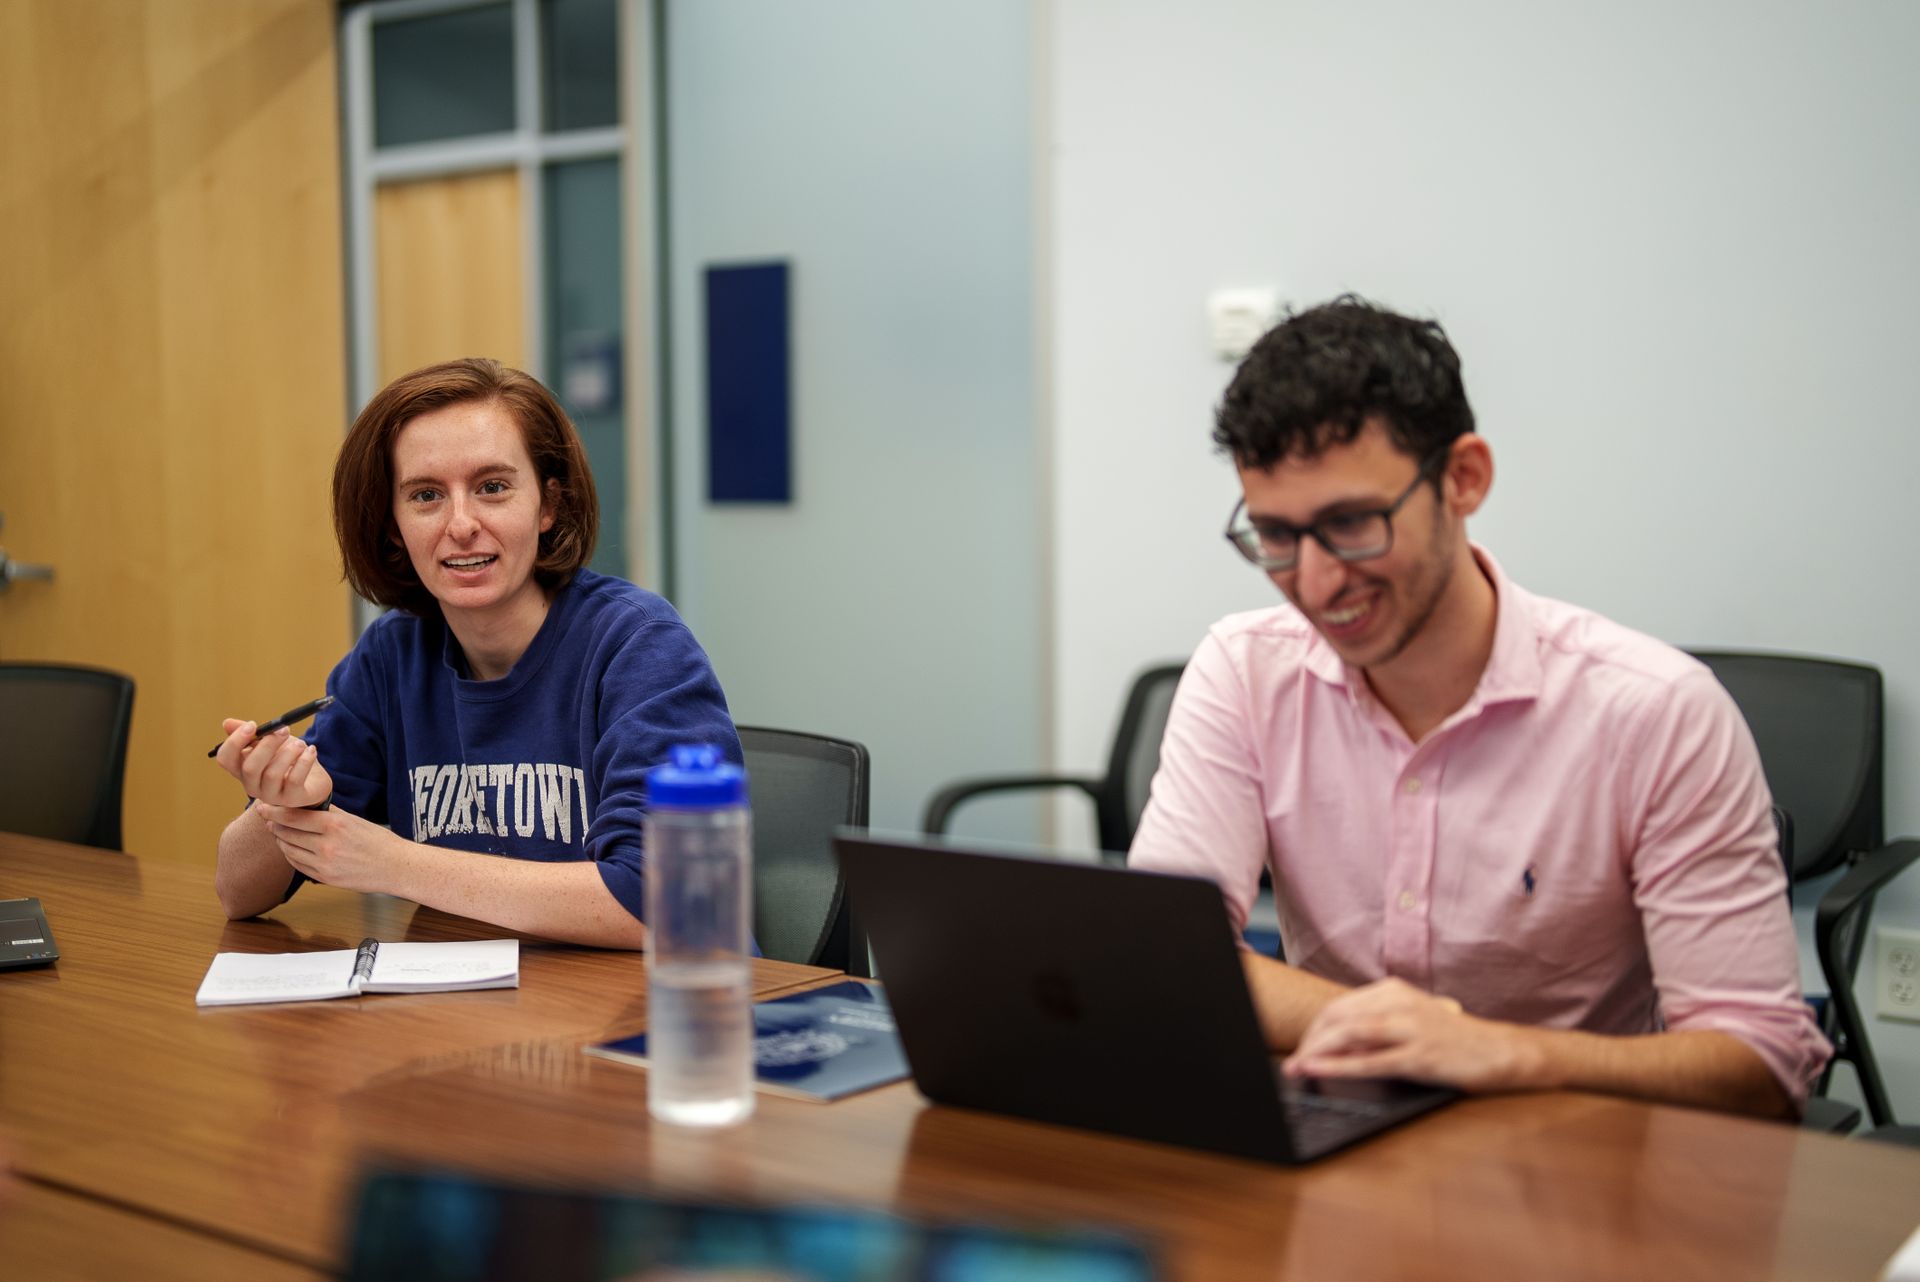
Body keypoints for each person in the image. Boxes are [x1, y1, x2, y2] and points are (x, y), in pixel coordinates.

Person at [1128, 296, 1829, 1118]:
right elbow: (1162, 961)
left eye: (1352, 524)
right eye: (1276, 537)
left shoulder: (1655, 712)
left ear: (1463, 479)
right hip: (1342, 1131)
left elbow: (1762, 1062)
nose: (1314, 584)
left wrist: (1503, 1053)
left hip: (1578, 1147)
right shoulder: (1244, 671)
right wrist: (1404, 1035)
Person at [213, 358, 739, 948]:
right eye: (426, 495)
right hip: (473, 996)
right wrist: (284, 806)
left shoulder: (638, 644)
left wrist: (395, 864)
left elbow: (673, 903)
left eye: (492, 487)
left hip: (659, 997)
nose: (461, 525)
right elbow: (237, 893)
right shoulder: (392, 656)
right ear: (394, 526)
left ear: (548, 505)